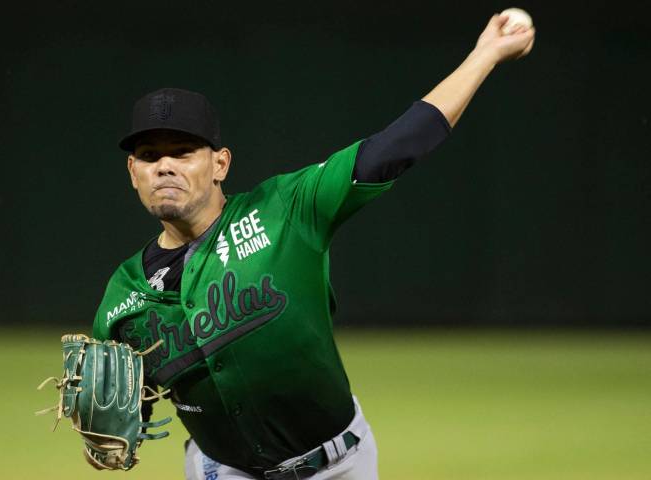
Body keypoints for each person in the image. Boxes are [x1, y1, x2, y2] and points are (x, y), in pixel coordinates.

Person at [92, 14, 535, 480]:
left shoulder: (287, 209)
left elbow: (397, 146)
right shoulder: (123, 298)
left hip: (338, 466)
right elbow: (122, 415)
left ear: (220, 164)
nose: (164, 166)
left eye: (182, 152)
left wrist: (486, 54)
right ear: (132, 173)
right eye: (148, 156)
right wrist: (108, 432)